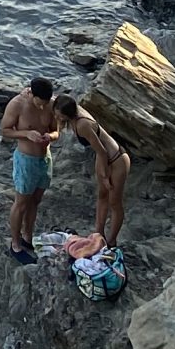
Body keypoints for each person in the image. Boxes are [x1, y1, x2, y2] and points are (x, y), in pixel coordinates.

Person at [54, 93, 130, 248]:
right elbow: (55, 98)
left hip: (116, 160)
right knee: (102, 196)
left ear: (65, 114)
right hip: (103, 157)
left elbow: (102, 151)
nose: (55, 114)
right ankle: (98, 234)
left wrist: (105, 174)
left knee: (114, 201)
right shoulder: (73, 112)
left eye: (57, 113)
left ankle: (112, 240)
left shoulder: (83, 125)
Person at [0, 76, 58, 262]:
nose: (42, 107)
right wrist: (26, 134)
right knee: (21, 202)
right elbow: (5, 130)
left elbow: (57, 131)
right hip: (25, 160)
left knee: (35, 201)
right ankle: (15, 245)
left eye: (45, 103)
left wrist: (51, 136)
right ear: (32, 94)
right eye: (40, 103)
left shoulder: (51, 104)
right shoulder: (17, 104)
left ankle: (28, 237)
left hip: (44, 159)